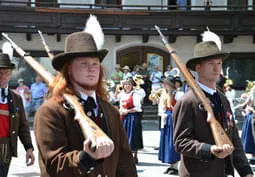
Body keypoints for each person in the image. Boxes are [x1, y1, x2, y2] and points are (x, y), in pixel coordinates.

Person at [34, 28, 138, 176]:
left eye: (95, 64)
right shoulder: (50, 111)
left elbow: (125, 161)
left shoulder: (110, 111)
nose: (91, 69)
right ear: (69, 69)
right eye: (84, 63)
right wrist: (86, 158)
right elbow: (54, 165)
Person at [173, 40, 254, 177]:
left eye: (219, 63)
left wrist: (246, 171)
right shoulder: (187, 101)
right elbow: (181, 142)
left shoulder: (222, 99)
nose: (217, 69)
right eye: (211, 64)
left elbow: (233, 137)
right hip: (197, 173)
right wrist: (209, 149)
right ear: (198, 67)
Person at [0, 53, 35, 177]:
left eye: (6, 72)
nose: (3, 76)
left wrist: (29, 148)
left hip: (6, 147)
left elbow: (23, 126)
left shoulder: (16, 98)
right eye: (0, 72)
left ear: (11, 74)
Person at [115, 77, 143, 164]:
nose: (127, 86)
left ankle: (134, 156)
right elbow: (114, 99)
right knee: (124, 136)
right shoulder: (122, 94)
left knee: (133, 136)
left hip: (133, 117)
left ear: (132, 86)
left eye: (129, 84)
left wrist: (127, 111)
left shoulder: (135, 94)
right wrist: (116, 89)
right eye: (125, 84)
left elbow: (138, 108)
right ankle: (125, 155)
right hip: (124, 117)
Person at [158, 76, 180, 175]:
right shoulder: (165, 93)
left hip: (173, 118)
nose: (164, 85)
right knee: (166, 141)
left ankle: (175, 166)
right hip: (167, 118)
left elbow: (180, 107)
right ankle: (170, 165)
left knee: (172, 141)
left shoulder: (178, 93)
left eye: (166, 83)